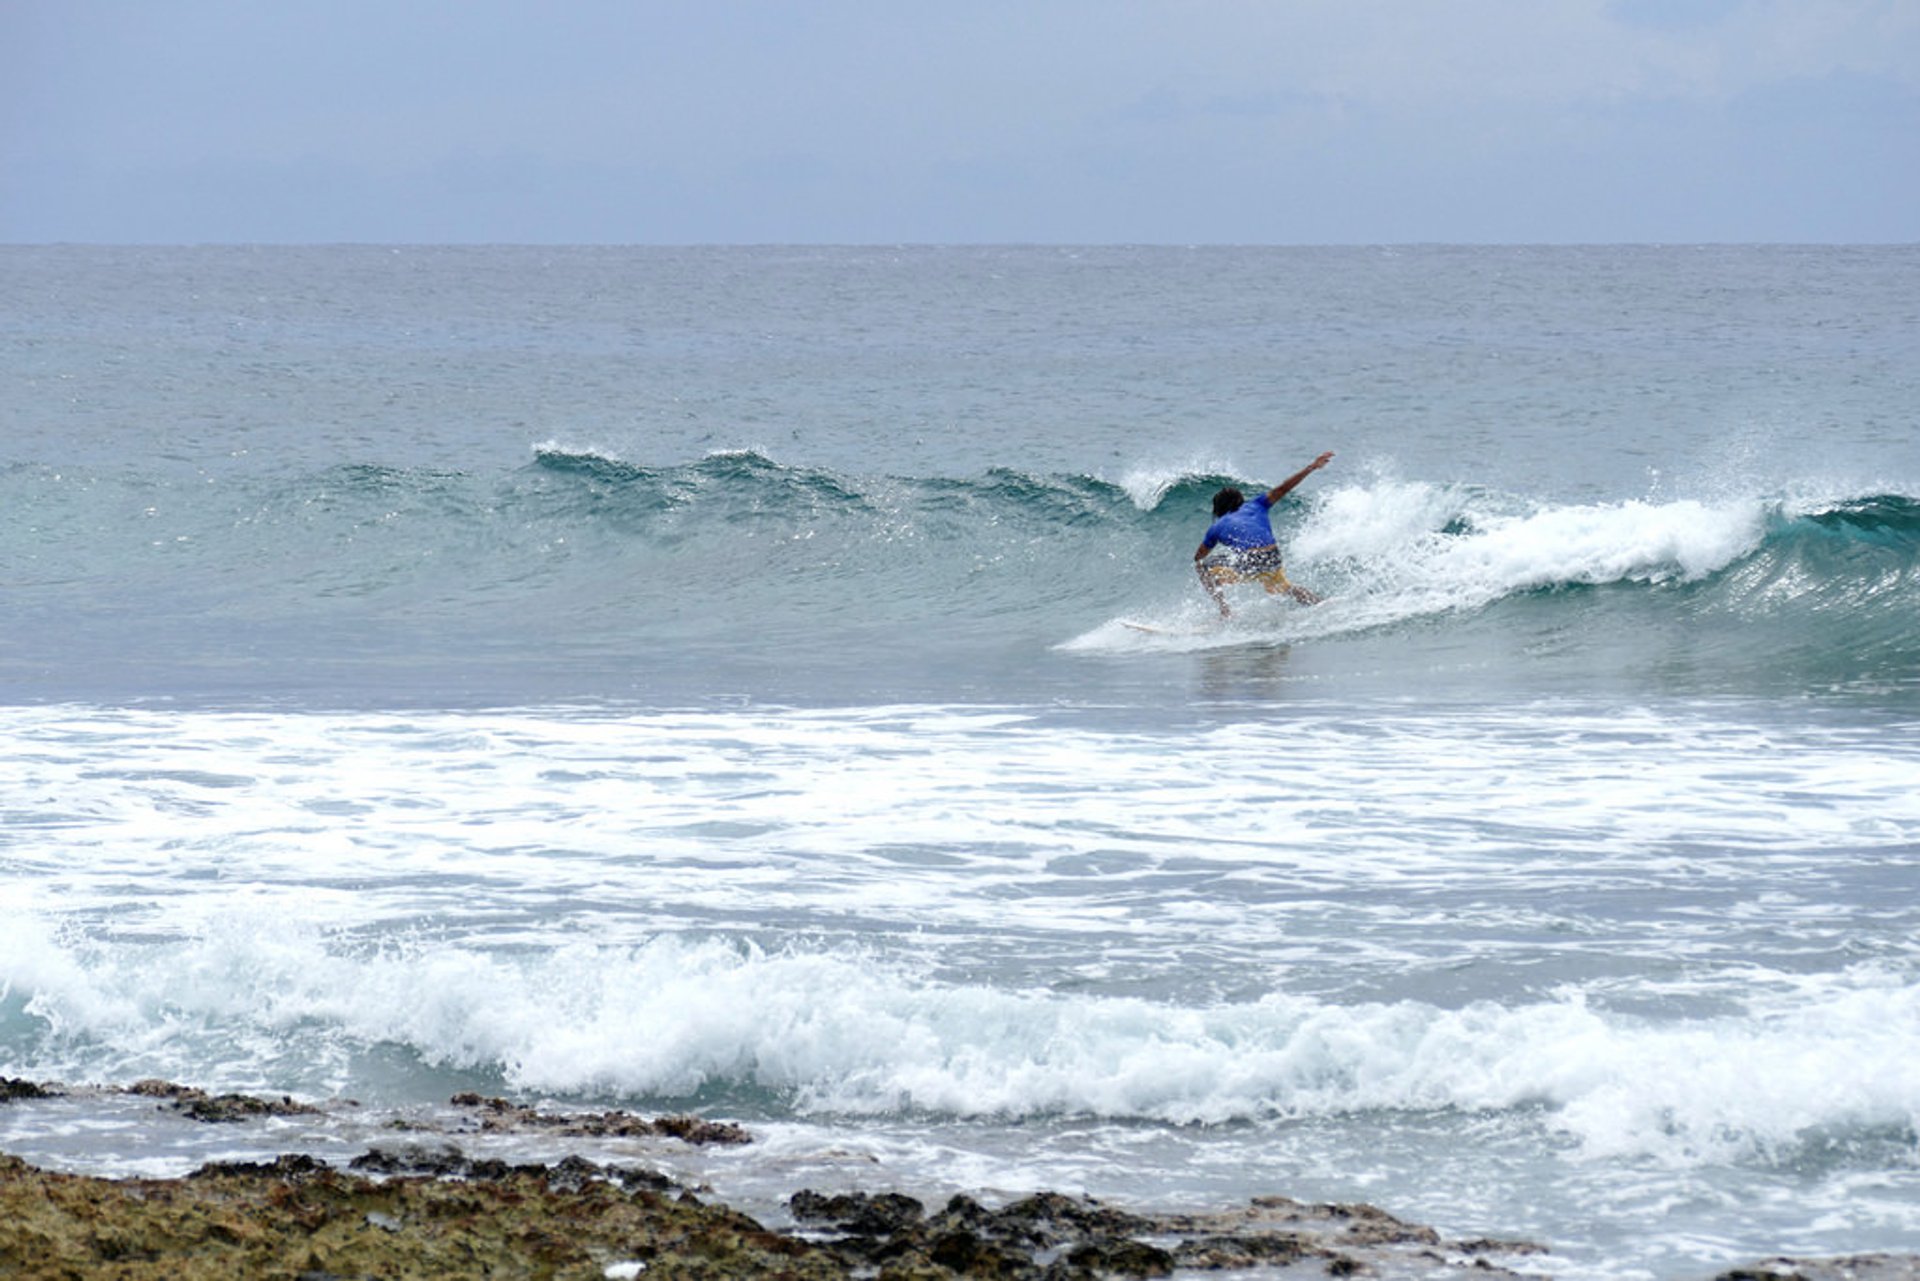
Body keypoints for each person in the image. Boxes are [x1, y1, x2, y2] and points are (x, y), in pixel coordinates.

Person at [1193, 451, 1334, 616]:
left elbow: (1199, 556)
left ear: (1218, 509)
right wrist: (1311, 467)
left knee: (1203, 566)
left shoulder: (1217, 527)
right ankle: (1321, 603)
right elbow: (1283, 488)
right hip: (1273, 556)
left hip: (1251, 560)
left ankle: (1225, 611)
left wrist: (1215, 572)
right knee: (1284, 587)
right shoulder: (1258, 504)